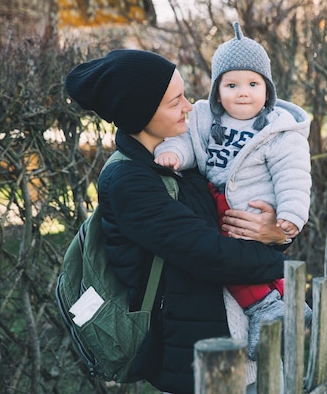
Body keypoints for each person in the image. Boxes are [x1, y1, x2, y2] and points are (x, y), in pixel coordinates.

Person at [65, 49, 291, 394]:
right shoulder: (130, 182)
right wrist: (277, 257)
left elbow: (238, 215)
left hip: (233, 337)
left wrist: (278, 233)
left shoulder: (184, 156)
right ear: (139, 113)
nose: (189, 106)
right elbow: (207, 253)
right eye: (175, 102)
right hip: (196, 356)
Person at [154, 21, 312, 360]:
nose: (243, 92)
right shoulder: (204, 120)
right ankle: (290, 303)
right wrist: (174, 155)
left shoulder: (278, 130)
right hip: (219, 206)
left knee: (238, 261)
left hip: (254, 208)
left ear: (267, 90)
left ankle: (264, 309)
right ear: (216, 90)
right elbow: (187, 142)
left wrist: (291, 215)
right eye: (232, 84)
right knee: (235, 258)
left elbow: (294, 175)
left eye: (253, 84)